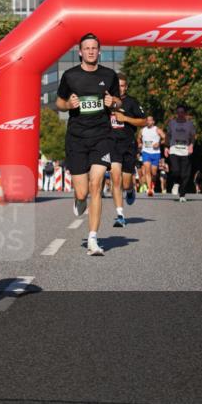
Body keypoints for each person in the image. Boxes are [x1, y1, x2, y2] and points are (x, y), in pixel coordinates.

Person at [56, 33, 121, 255]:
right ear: (80, 52)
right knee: (82, 192)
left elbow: (118, 101)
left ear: (99, 51)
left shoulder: (109, 75)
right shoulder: (70, 75)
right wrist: (68, 104)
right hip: (76, 137)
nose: (91, 51)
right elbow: (59, 102)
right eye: (87, 48)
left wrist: (114, 102)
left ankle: (93, 239)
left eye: (94, 48)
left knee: (96, 184)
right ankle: (79, 199)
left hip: (102, 136)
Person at [107, 75, 147, 227]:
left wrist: (126, 118)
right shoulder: (108, 102)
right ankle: (120, 215)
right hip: (112, 145)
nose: (120, 88)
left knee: (126, 182)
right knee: (115, 179)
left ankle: (130, 190)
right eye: (118, 86)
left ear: (126, 87)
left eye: (123, 86)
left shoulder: (132, 102)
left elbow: (143, 121)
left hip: (128, 145)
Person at [164, 105, 196, 202]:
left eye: (182, 112)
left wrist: (191, 145)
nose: (180, 114)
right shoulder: (172, 123)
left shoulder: (189, 124)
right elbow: (168, 135)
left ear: (185, 114)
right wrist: (166, 147)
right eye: (178, 112)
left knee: (185, 175)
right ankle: (176, 182)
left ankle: (182, 195)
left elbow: (193, 136)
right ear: (176, 113)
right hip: (174, 149)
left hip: (185, 150)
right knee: (175, 170)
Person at [140, 115, 164, 196]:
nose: (148, 122)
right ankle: (149, 189)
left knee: (154, 173)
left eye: (150, 120)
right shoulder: (142, 130)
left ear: (153, 122)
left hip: (155, 153)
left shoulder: (157, 130)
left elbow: (165, 138)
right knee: (147, 170)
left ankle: (152, 184)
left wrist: (159, 143)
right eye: (147, 120)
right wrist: (140, 143)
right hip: (145, 152)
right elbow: (138, 138)